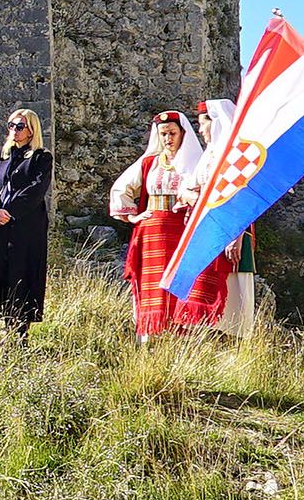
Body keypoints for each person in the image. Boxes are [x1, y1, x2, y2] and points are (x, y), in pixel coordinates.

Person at [109, 111, 223, 340]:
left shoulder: (195, 163)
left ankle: (182, 334)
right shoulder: (149, 163)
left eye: (172, 133)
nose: (168, 138)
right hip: (152, 232)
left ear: (182, 134)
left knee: (180, 282)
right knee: (153, 283)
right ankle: (152, 334)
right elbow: (121, 189)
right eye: (163, 134)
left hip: (181, 230)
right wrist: (133, 217)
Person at [0, 108, 53, 332]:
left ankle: (19, 330)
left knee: (22, 273)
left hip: (25, 227)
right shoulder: (2, 158)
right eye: (11, 125)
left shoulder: (41, 157)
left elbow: (35, 190)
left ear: (31, 130)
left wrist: (8, 212)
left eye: (20, 126)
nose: (14, 131)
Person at [182, 100, 257, 335]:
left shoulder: (237, 155)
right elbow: (188, 187)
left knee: (235, 289)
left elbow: (247, 196)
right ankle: (206, 335)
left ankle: (235, 342)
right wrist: (189, 196)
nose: (201, 130)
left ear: (215, 124)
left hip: (232, 228)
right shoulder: (208, 156)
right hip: (206, 228)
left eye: (203, 124)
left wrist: (235, 236)